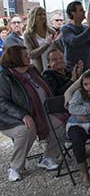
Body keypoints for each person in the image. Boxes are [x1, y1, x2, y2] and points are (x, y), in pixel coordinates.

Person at [0, 45, 64, 182]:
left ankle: (49, 157)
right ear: (15, 58)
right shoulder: (5, 77)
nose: (29, 57)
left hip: (41, 113)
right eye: (25, 55)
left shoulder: (32, 70)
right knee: (26, 130)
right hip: (12, 119)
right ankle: (15, 167)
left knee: (61, 122)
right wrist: (22, 115)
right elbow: (2, 102)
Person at [66, 71, 90, 186]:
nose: (89, 87)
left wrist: (87, 112)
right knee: (77, 139)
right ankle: (83, 172)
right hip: (76, 123)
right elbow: (72, 108)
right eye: (86, 84)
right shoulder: (79, 93)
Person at [61, 1, 90, 71]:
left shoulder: (86, 28)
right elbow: (75, 41)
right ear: (73, 13)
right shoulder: (66, 29)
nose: (84, 12)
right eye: (81, 10)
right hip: (72, 68)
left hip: (87, 66)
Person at [23, 6, 58, 72]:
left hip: (54, 67)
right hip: (40, 69)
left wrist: (58, 42)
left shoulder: (51, 31)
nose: (43, 16)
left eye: (44, 14)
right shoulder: (28, 35)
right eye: (39, 14)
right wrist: (46, 44)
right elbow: (30, 55)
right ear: (33, 17)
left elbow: (57, 49)